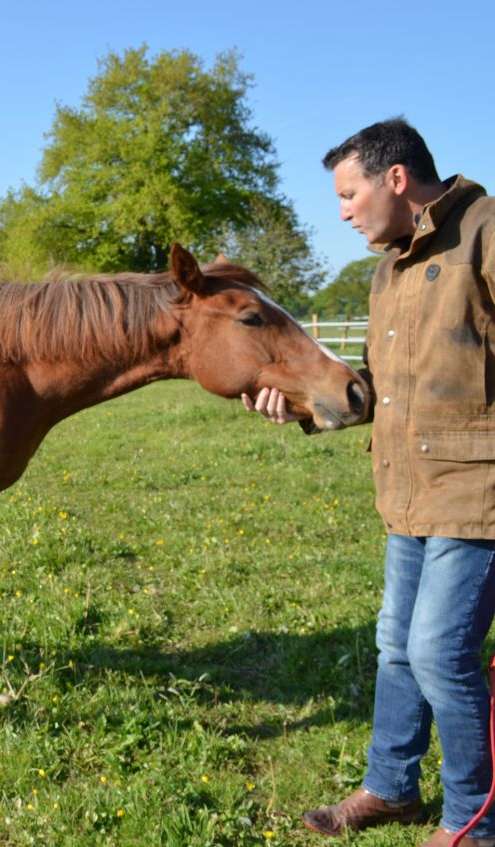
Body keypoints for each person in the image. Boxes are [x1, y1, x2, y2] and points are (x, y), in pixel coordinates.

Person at [245, 117, 495, 847]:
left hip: (475, 493)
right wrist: (298, 406)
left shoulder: (484, 230)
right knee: (395, 645)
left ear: (395, 178)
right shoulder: (388, 269)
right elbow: (377, 394)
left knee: (441, 654)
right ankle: (390, 787)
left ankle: (475, 819)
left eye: (349, 194)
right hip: (406, 491)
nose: (345, 211)